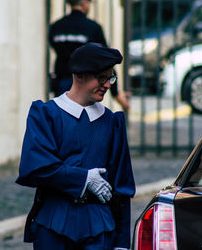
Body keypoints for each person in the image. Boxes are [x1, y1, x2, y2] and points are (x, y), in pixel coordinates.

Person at [16, 43, 135, 250]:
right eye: (102, 78)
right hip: (53, 227)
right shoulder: (46, 114)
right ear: (79, 75)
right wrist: (83, 179)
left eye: (111, 78)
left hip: (100, 229)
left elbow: (122, 187)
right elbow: (34, 167)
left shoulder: (112, 122)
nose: (108, 85)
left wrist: (122, 244)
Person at [49, 0, 130, 111]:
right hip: (84, 86)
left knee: (62, 121)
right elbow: (107, 62)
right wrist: (116, 94)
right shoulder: (93, 28)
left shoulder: (56, 27)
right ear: (85, 3)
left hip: (61, 82)